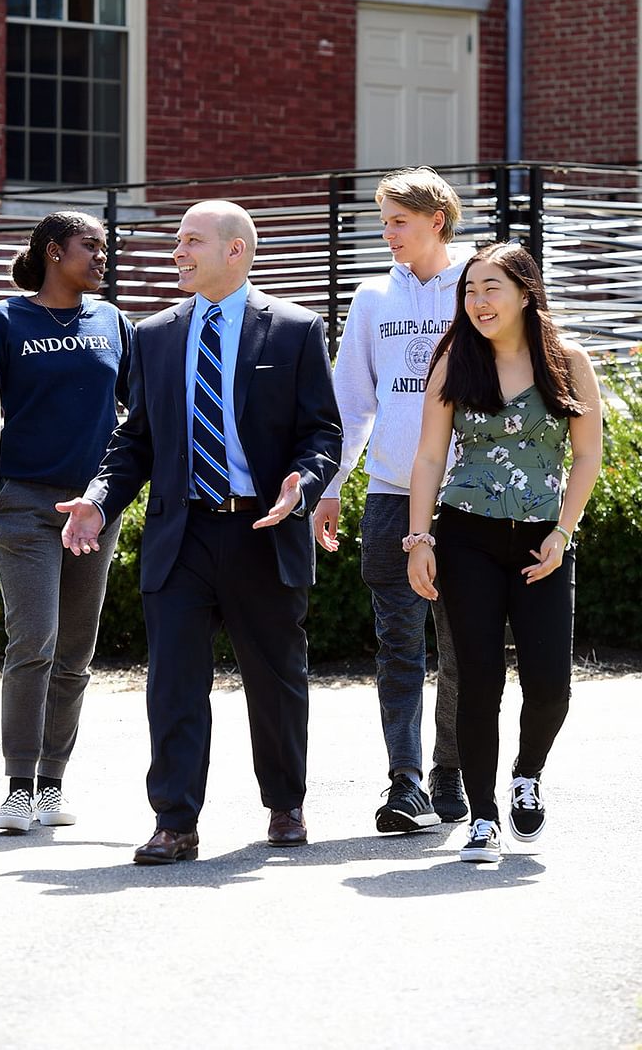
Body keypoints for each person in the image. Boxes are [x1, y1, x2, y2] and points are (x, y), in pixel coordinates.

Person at [58, 200, 342, 863]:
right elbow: (135, 441)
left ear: (235, 250)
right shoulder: (154, 334)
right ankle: (175, 822)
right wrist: (99, 500)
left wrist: (303, 484)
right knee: (174, 685)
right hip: (180, 535)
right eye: (178, 241)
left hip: (262, 530)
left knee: (276, 681)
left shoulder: (295, 330)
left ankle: (285, 804)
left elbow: (321, 432)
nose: (177, 253)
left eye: (191, 241)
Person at [407, 242, 602, 863]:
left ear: (525, 293)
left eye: (491, 288)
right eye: (470, 290)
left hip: (544, 539)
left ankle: (528, 773)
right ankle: (483, 817)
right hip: (467, 537)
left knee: (550, 685)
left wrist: (562, 532)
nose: (478, 301)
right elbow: (429, 457)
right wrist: (419, 539)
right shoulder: (454, 361)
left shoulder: (568, 361)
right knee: (478, 680)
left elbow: (587, 456)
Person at [313, 167, 470, 833]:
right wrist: (329, 485)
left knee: (464, 651)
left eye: (398, 221)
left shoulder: (479, 286)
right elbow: (351, 401)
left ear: (437, 220)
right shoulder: (373, 297)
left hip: (467, 501)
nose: (388, 234)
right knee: (398, 647)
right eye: (383, 222)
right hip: (389, 496)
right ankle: (405, 781)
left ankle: (451, 773)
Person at [0, 211, 132, 832]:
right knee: (34, 641)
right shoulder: (3, 320)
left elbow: (138, 414)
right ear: (52, 251)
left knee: (75, 650)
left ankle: (51, 784)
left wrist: (111, 492)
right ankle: (18, 787)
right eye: (89, 246)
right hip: (23, 502)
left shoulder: (113, 322)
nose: (102, 256)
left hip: (94, 509)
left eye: (104, 247)